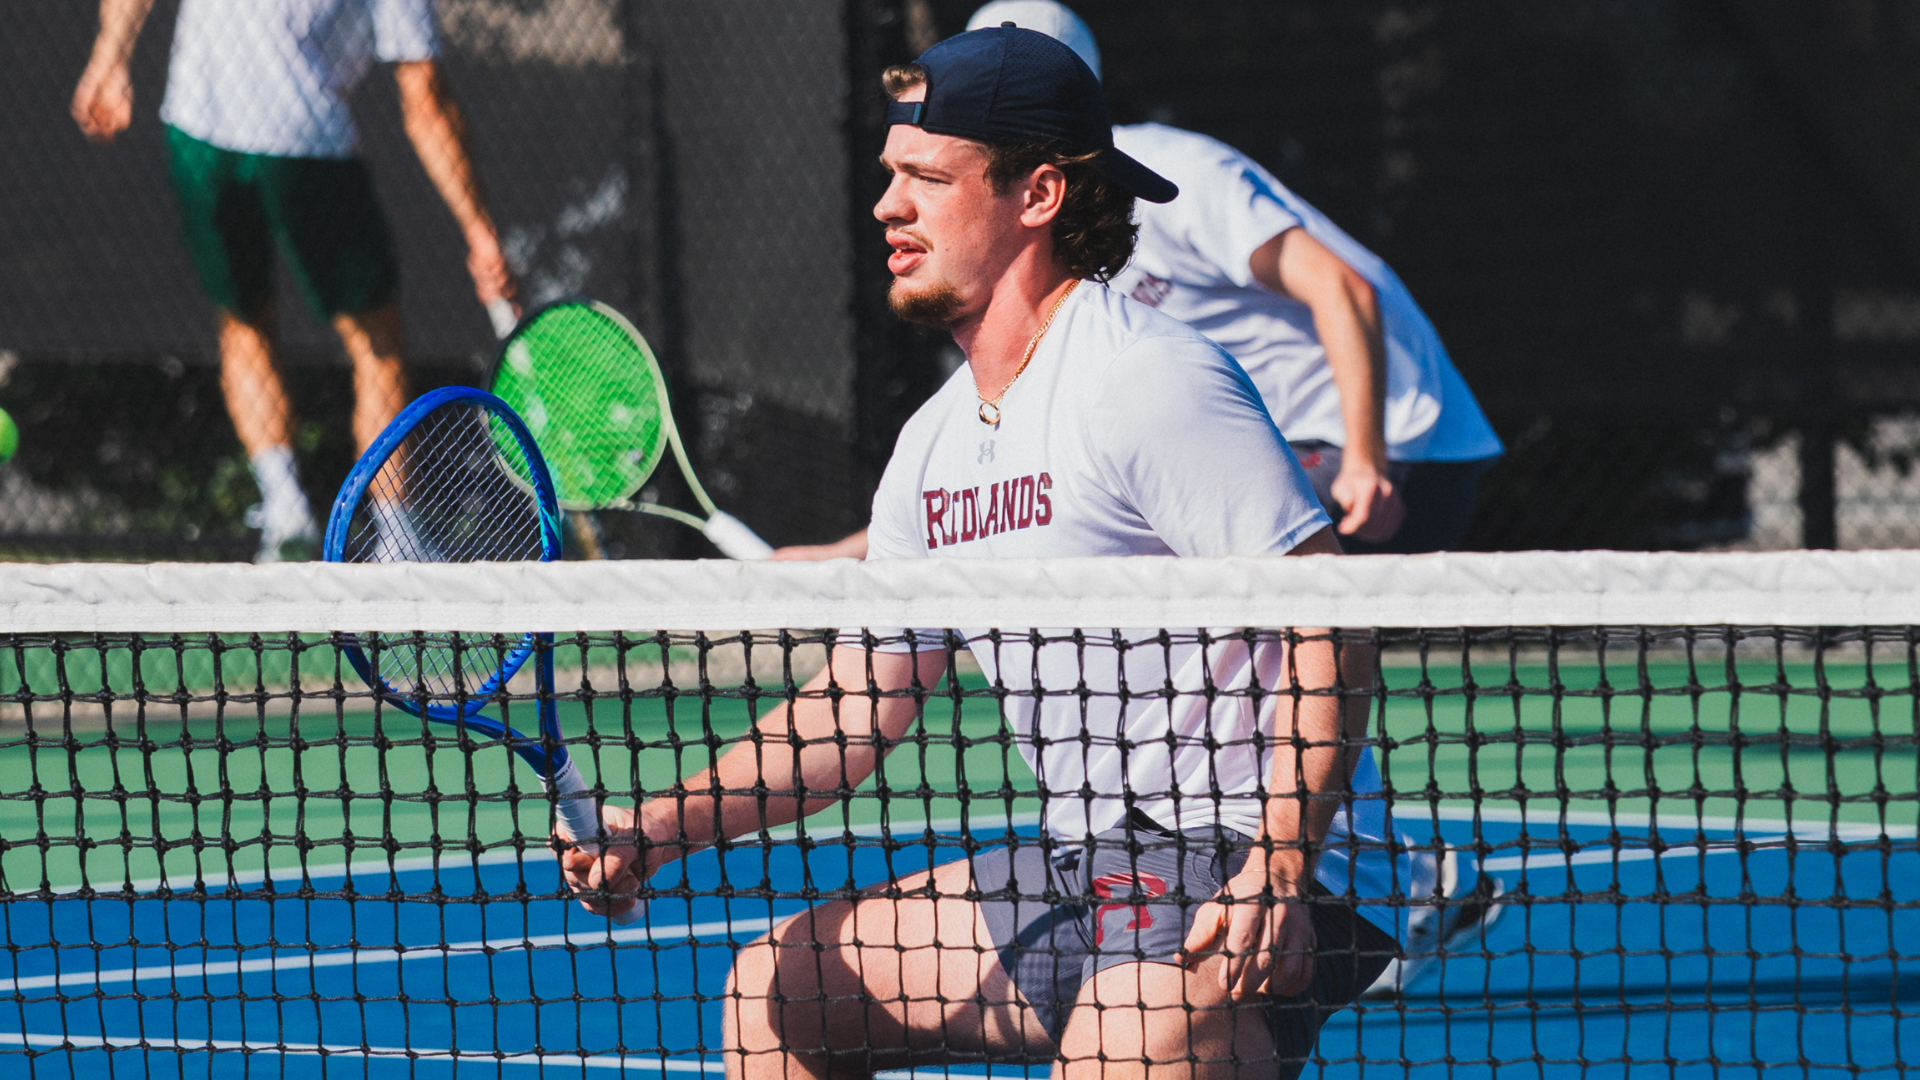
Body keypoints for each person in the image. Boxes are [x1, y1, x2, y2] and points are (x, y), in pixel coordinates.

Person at [564, 27, 1405, 1080]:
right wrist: (657, 827)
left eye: (925, 177)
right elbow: (852, 712)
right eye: (888, 178)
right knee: (779, 995)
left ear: (1038, 195)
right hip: (1087, 865)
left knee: (1125, 1046)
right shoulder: (932, 445)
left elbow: (1332, 612)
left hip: (1254, 855)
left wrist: (1282, 866)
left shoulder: (1145, 379)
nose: (887, 206)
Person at [770, 1, 1502, 563]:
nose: (891, 204)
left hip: (1398, 450)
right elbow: (1012, 471)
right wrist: (852, 560)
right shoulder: (1043, 324)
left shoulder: (1185, 176)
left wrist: (1369, 459)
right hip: (1261, 445)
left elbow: (1345, 291)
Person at [72, 0, 517, 562]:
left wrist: (109, 57)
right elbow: (424, 96)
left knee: (242, 323)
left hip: (198, 132)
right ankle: (397, 535)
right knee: (377, 342)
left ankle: (285, 515)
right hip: (307, 145)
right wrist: (479, 231)